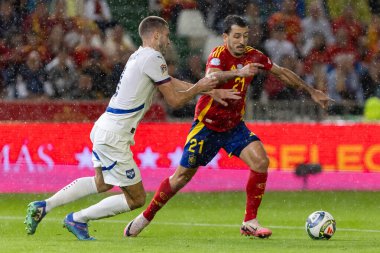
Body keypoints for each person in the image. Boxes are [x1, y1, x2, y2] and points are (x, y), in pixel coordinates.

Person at [24, 16, 234, 240]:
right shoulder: (154, 57)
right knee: (136, 198)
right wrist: (200, 86)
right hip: (115, 135)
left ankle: (44, 205)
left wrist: (206, 91)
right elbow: (174, 100)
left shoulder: (139, 55)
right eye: (166, 35)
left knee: (101, 182)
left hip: (105, 127)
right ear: (155, 35)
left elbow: (170, 81)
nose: (169, 40)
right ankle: (78, 218)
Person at [125, 15, 332, 239]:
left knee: (261, 161)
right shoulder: (217, 55)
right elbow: (212, 77)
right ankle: (144, 218)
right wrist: (238, 72)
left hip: (234, 126)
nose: (241, 40)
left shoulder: (254, 56)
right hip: (207, 126)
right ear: (225, 37)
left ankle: (250, 222)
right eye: (236, 36)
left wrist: (311, 91)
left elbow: (281, 72)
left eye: (245, 35)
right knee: (181, 178)